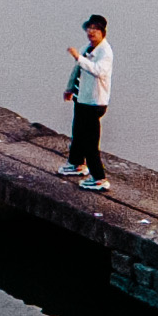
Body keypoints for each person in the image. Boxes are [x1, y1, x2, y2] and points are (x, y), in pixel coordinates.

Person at [57, 14, 113, 192]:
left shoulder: (105, 53)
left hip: (95, 103)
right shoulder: (86, 48)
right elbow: (77, 69)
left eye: (95, 29)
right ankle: (76, 164)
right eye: (89, 29)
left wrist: (79, 58)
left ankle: (99, 178)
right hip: (82, 99)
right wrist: (70, 88)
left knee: (90, 142)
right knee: (78, 133)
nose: (91, 32)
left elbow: (97, 71)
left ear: (102, 32)